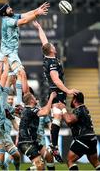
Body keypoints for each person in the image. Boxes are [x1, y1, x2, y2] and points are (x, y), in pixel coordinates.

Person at [33, 20, 79, 162]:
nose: (53, 45)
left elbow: (44, 41)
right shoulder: (52, 63)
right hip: (57, 92)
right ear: (52, 50)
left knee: (64, 118)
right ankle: (54, 146)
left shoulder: (48, 55)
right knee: (59, 118)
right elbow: (56, 80)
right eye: (52, 46)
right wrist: (68, 90)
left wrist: (39, 27)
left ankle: (56, 145)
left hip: (57, 92)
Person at [0, 2, 50, 106]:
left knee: (10, 79)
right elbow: (24, 21)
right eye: (8, 8)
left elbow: (26, 14)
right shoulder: (7, 21)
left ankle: (6, 105)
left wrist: (37, 10)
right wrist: (36, 14)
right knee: (21, 73)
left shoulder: (12, 16)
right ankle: (21, 103)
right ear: (4, 13)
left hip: (8, 54)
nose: (11, 8)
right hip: (8, 54)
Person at [57, 92, 100, 171]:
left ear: (75, 100)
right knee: (96, 163)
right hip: (92, 138)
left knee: (70, 160)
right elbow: (72, 118)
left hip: (84, 138)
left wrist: (63, 109)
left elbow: (69, 120)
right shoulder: (84, 109)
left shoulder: (79, 109)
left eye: (72, 99)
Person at [18, 91, 56, 170]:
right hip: (26, 142)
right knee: (40, 167)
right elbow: (45, 112)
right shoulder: (31, 110)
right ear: (31, 100)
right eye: (34, 98)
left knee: (49, 156)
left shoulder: (28, 110)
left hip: (33, 141)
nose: (36, 99)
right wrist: (51, 98)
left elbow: (43, 109)